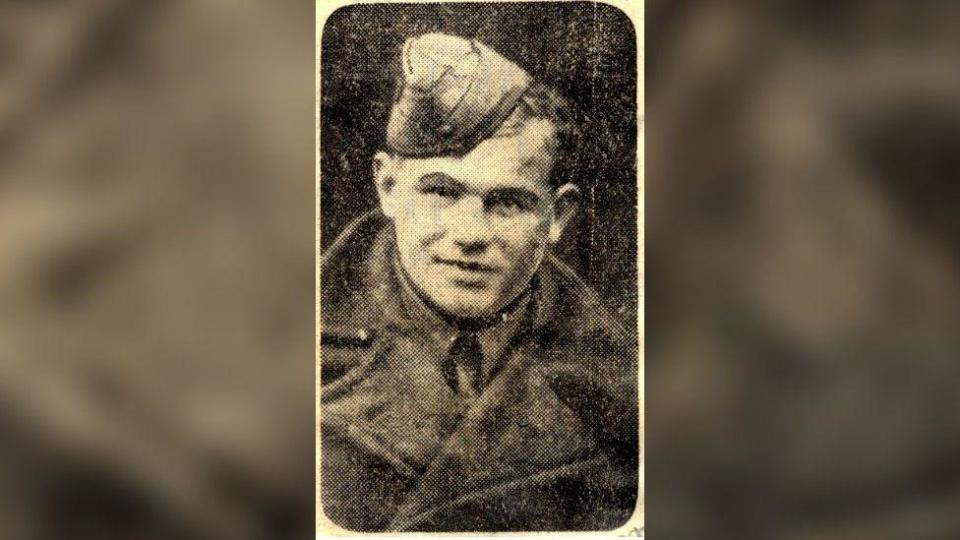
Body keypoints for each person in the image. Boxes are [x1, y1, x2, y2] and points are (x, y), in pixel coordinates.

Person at [319, 32, 638, 532]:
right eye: (441, 193)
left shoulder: (623, 389)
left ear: (557, 216)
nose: (470, 235)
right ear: (387, 188)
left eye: (508, 202)